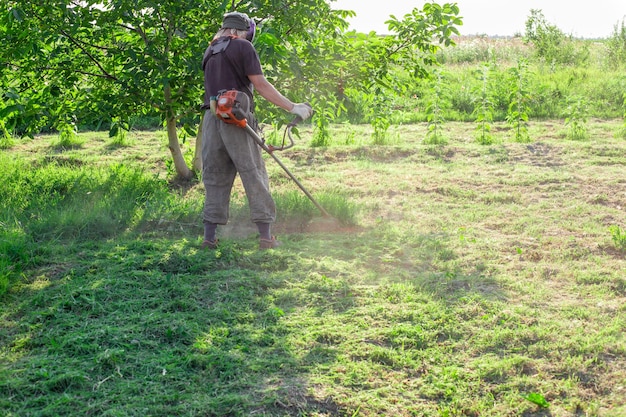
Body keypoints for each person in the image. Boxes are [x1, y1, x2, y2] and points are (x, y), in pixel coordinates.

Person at [201, 12, 313, 250]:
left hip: (211, 119)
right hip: (237, 119)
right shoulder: (243, 47)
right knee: (254, 174)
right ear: (245, 31)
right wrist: (294, 107)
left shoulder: (210, 50)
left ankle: (209, 238)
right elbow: (260, 85)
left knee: (214, 176)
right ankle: (266, 237)